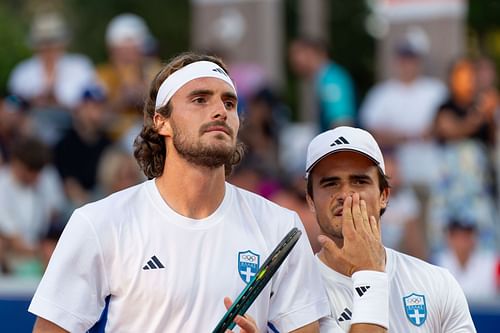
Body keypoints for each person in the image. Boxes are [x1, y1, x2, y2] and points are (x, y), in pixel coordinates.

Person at [28, 52, 330, 332]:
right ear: (162, 121)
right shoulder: (99, 222)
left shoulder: (281, 226)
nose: (220, 112)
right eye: (200, 99)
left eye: (229, 103)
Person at [305, 126, 476, 332]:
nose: (346, 194)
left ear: (384, 196)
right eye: (331, 183)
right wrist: (369, 272)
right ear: (311, 201)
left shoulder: (438, 283)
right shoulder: (296, 290)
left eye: (359, 181)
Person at [289, 36, 356, 132]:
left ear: (311, 53)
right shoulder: (324, 78)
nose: (292, 59)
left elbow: (342, 122)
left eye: (296, 53)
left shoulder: (331, 80)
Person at [434, 218, 500, 302]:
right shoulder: (436, 262)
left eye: (466, 235)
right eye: (457, 236)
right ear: (449, 238)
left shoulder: (492, 263)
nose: (462, 241)